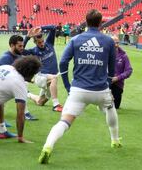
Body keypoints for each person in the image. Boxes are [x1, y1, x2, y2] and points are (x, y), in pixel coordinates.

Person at [39, 10, 121, 164]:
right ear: (101, 22)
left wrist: (67, 85)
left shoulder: (75, 39)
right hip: (100, 90)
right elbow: (112, 68)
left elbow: (63, 63)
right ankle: (115, 140)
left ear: (86, 21)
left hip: (78, 90)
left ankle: (48, 146)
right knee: (111, 109)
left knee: (64, 122)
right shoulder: (109, 41)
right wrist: (108, 86)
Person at [0, 33, 39, 121]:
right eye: (20, 46)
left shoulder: (19, 56)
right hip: (2, 86)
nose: (22, 48)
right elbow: (7, 77)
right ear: (12, 45)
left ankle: (25, 112)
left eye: (23, 46)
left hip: (10, 85)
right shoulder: (5, 58)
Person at [24, 25, 63, 113]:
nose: (41, 44)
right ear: (35, 43)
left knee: (40, 102)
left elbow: (53, 28)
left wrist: (41, 27)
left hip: (49, 78)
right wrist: (27, 37)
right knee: (54, 78)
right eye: (39, 42)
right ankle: (56, 105)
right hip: (40, 77)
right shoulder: (34, 51)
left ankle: (28, 94)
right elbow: (21, 51)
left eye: (42, 41)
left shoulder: (49, 43)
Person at [110, 36, 133, 109]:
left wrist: (117, 78)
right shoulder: (104, 54)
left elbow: (129, 70)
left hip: (118, 84)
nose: (116, 45)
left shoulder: (123, 56)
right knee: (105, 105)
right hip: (105, 83)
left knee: (115, 106)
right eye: (114, 43)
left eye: (117, 43)